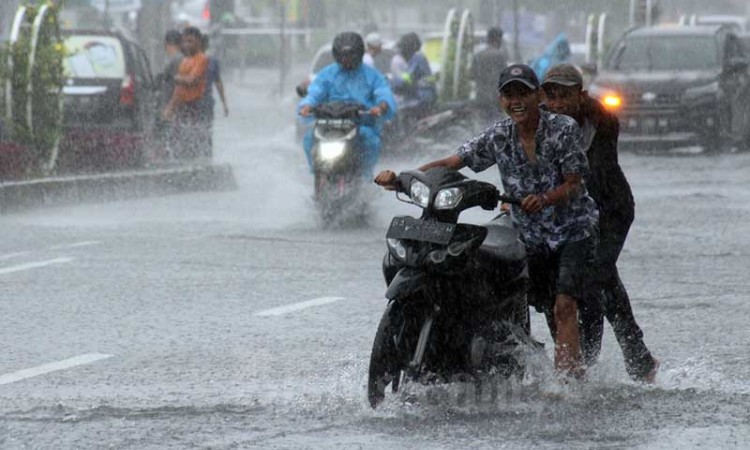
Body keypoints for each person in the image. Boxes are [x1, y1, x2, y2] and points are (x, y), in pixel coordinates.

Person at [375, 64, 599, 379]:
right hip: (527, 235)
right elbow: (452, 162)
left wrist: (545, 198)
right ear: (501, 100)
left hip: (573, 232)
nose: (516, 100)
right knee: (508, 293)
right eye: (509, 94)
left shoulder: (562, 129)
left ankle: (568, 388)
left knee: (563, 306)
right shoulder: (499, 135)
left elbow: (575, 183)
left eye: (523, 93)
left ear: (537, 96)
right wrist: (404, 178)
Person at [541, 63, 659, 383]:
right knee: (574, 284)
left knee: (594, 278)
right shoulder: (539, 120)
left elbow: (588, 176)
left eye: (565, 95)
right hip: (570, 213)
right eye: (550, 95)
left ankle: (592, 360)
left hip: (609, 212)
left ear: (581, 96)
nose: (557, 103)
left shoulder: (601, 121)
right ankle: (632, 356)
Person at [298, 32, 396, 178]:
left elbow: (383, 93)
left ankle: (365, 178)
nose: (346, 59)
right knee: (308, 139)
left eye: (350, 55)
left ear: (359, 54)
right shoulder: (327, 74)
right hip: (329, 126)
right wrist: (307, 106)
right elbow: (315, 92)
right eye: (342, 55)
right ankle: (317, 173)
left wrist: (381, 106)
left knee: (371, 141)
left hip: (360, 125)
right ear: (336, 55)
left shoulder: (372, 75)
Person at [163, 27, 209, 161]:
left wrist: (177, 78)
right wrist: (171, 107)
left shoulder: (201, 59)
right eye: (185, 42)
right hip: (183, 106)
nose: (187, 45)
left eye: (190, 42)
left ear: (198, 43)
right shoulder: (185, 61)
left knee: (192, 138)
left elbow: (190, 80)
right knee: (180, 137)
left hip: (195, 105)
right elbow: (179, 88)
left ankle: (193, 162)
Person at [390, 32, 437, 117]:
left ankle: (403, 130)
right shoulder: (416, 58)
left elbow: (407, 78)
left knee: (397, 110)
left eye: (402, 47)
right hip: (420, 95)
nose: (401, 51)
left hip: (422, 97)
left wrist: (392, 83)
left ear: (408, 47)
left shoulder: (418, 57)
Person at [198, 34, 229, 160]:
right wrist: (224, 103)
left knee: (202, 131)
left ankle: (203, 155)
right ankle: (206, 156)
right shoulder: (212, 62)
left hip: (201, 103)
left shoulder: (190, 61)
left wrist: (224, 103)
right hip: (204, 102)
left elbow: (218, 83)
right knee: (206, 132)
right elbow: (218, 83)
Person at [471, 26, 508, 121]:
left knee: (483, 127)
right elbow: (505, 77)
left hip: (481, 99)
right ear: (498, 39)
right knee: (496, 126)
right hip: (496, 100)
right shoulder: (500, 56)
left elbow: (472, 75)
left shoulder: (478, 55)